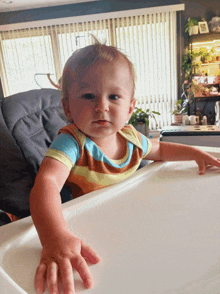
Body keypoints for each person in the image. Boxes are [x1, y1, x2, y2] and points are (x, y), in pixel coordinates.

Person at [30, 40, 220, 294]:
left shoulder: (131, 138)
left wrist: (194, 153)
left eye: (114, 96)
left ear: (130, 107)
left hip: (131, 224)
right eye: (88, 96)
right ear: (68, 107)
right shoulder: (73, 142)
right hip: (96, 229)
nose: (102, 106)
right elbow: (48, 182)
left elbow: (161, 150)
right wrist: (54, 236)